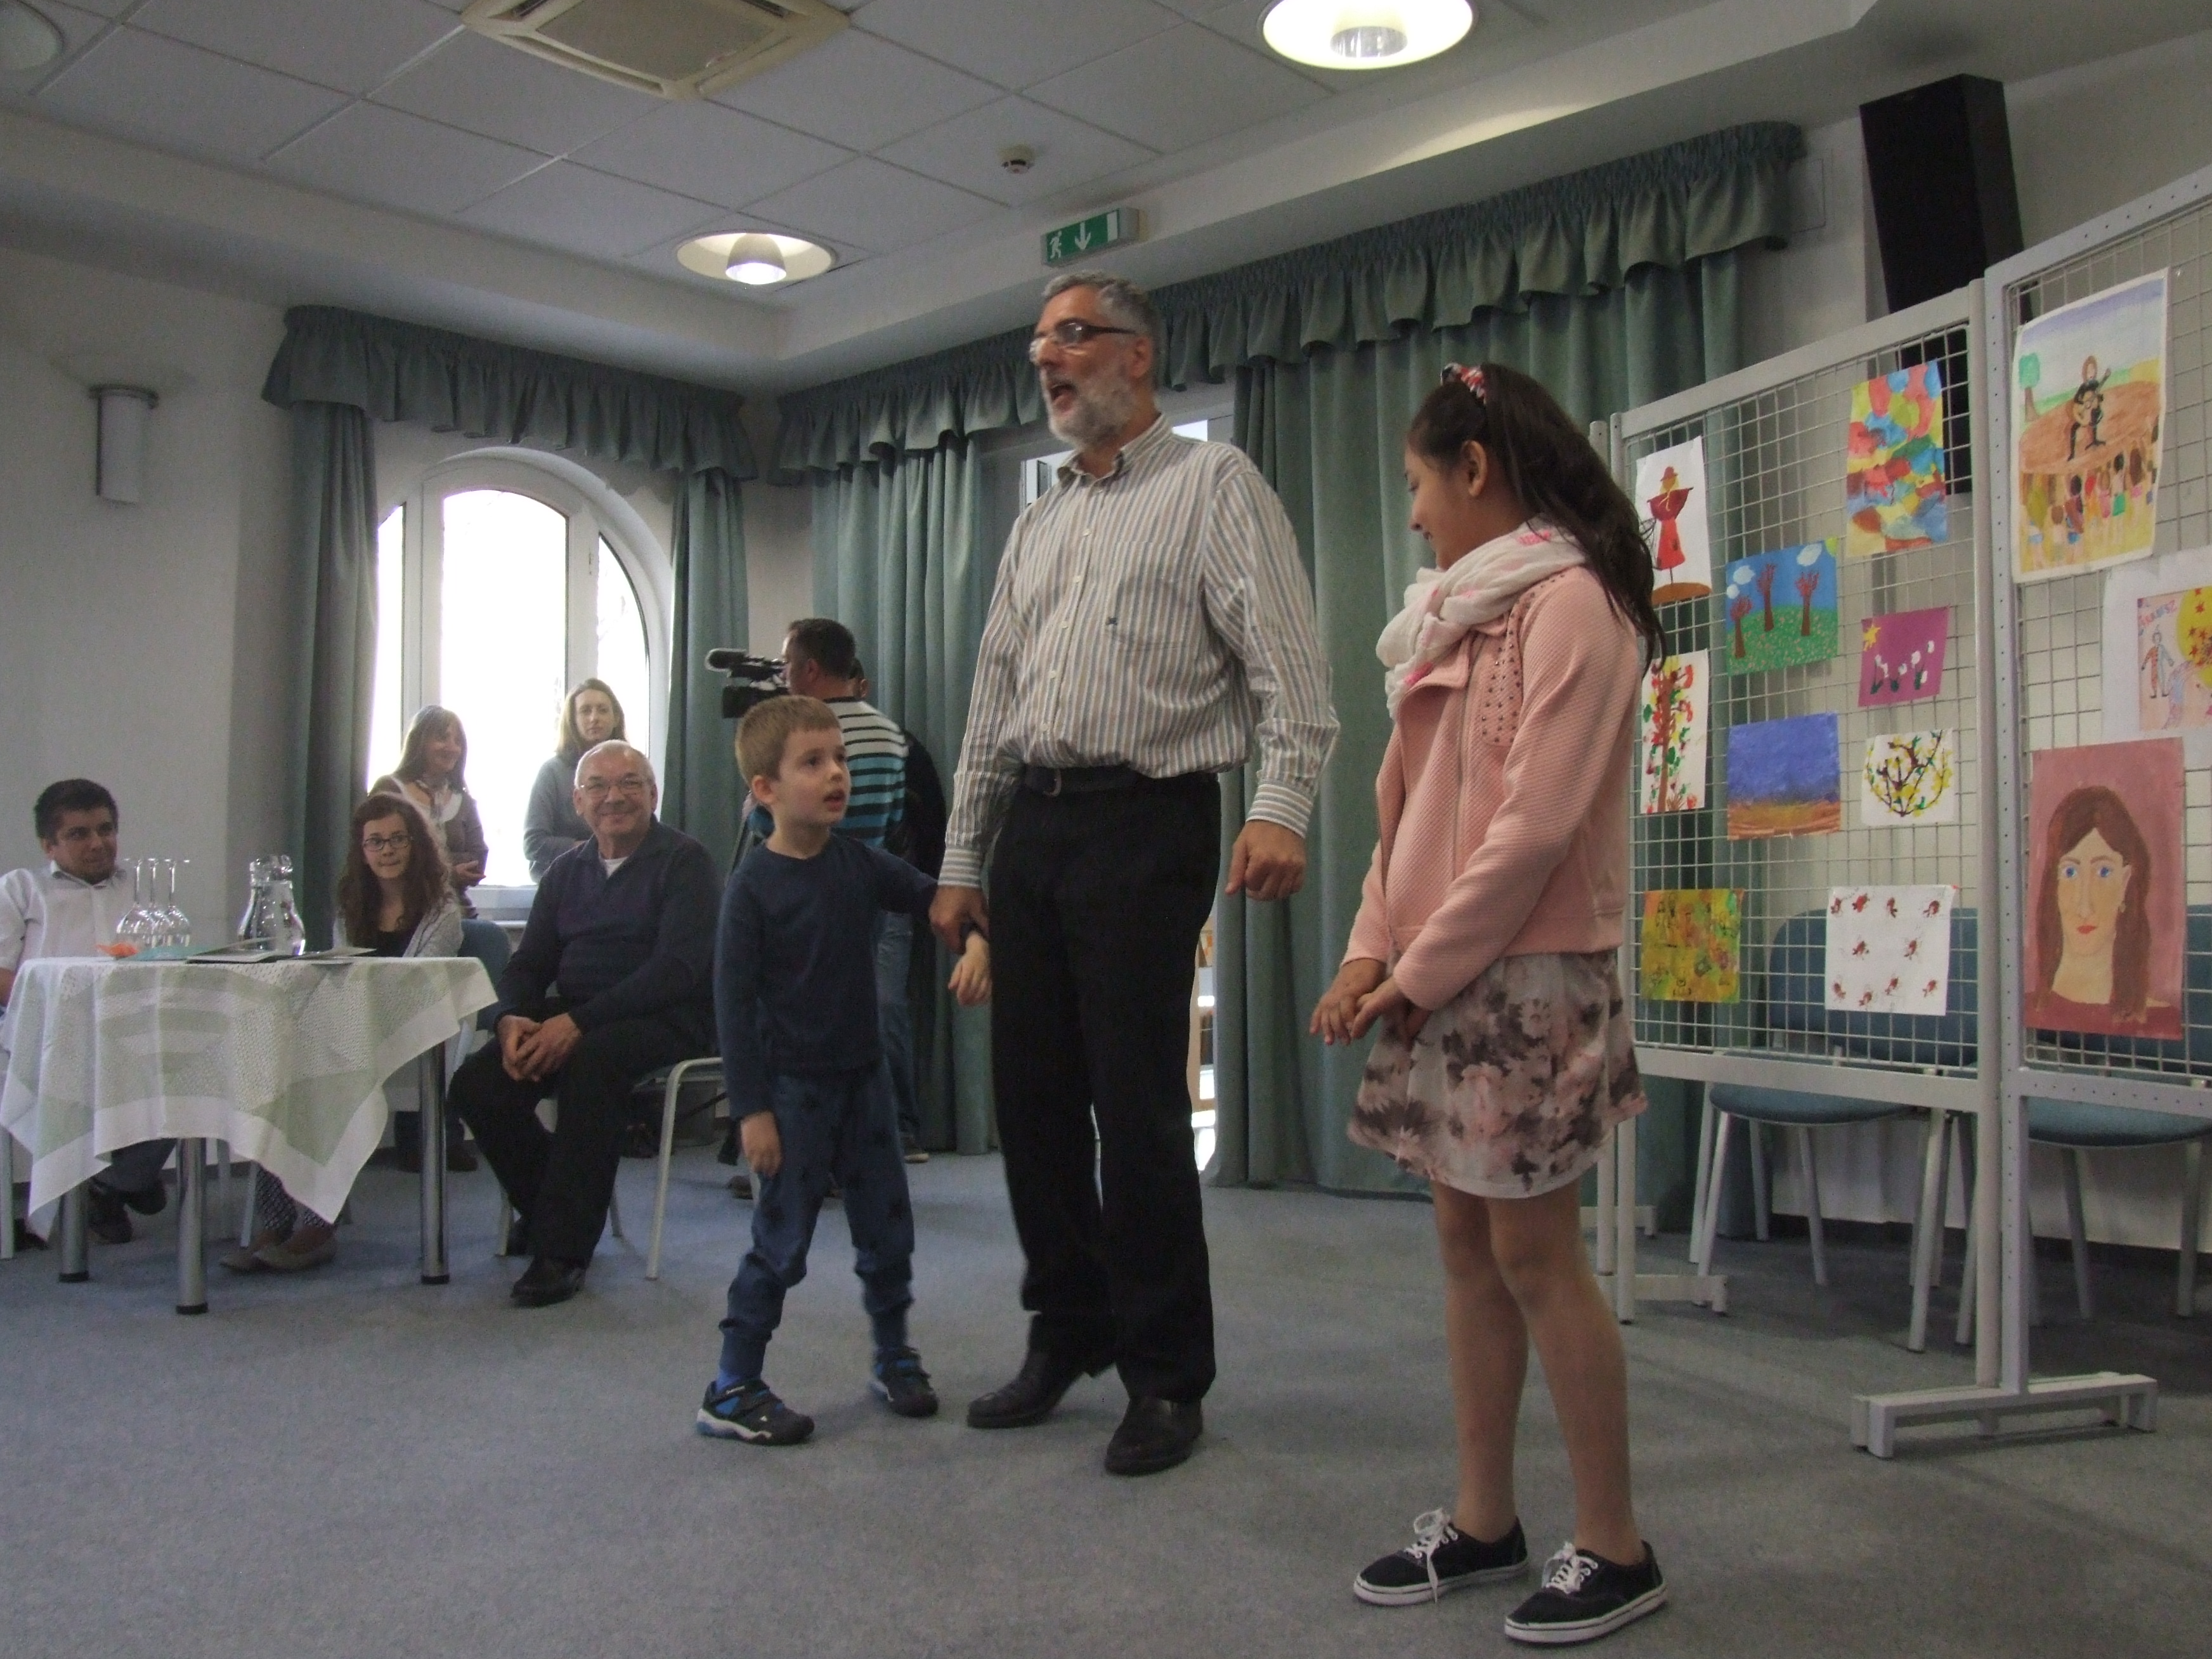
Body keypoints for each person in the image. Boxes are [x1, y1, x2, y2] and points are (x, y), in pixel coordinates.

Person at [930, 270, 1337, 1478]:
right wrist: (962, 856)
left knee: (1138, 1108)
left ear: (1136, 354)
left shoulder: (1214, 486)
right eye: (1037, 347)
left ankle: (1164, 1374)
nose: (1047, 362)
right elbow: (993, 699)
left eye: (1070, 337)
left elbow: (1289, 671)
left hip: (1147, 820)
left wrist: (1279, 807)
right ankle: (1068, 1329)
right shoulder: (1038, 521)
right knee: (1032, 1104)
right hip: (1036, 825)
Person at [1311, 362, 1665, 1646]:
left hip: (1525, 973)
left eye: (1418, 484)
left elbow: (1532, 831)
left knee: (1533, 1254)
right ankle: (1483, 1518)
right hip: (1440, 968)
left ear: (1473, 469)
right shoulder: (1454, 616)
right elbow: (1402, 816)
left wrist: (1412, 973)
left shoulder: (1575, 605)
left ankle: (1616, 1544)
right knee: (1464, 1245)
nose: (1411, 514)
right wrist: (1367, 952)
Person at [697, 697, 989, 1445]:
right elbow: (732, 1008)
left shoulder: (857, 863)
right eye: (812, 762)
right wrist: (752, 1110)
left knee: (887, 1231)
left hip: (865, 1087)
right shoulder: (750, 888)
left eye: (840, 760)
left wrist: (976, 943)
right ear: (765, 789)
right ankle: (731, 1385)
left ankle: (893, 1355)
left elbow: (936, 899)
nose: (835, 775)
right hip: (791, 1094)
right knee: (781, 1242)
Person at [449, 741, 717, 1308]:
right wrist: (509, 1020)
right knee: (478, 1084)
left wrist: (576, 1023)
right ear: (577, 802)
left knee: (591, 1062)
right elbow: (529, 965)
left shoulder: (685, 861)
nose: (613, 796)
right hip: (579, 1012)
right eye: (598, 785)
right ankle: (554, 1210)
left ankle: (562, 1252)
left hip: (668, 1017)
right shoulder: (565, 871)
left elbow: (676, 970)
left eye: (629, 783)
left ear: (653, 794)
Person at [222, 793, 462, 1274]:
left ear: (415, 844)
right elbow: (340, 977)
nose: (387, 850)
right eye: (376, 842)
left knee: (313, 1078)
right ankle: (276, 1222)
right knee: (277, 1075)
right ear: (362, 850)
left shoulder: (441, 910)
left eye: (398, 839)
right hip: (348, 1030)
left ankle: (317, 1226)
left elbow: (415, 987)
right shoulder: (351, 906)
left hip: (410, 1037)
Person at [0, 779, 172, 1246]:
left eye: (106, 829)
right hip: (48, 1032)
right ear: (49, 845)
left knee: (193, 1063)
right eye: (79, 834)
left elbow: (169, 960)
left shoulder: (143, 890)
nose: (98, 843)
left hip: (135, 1029)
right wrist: (59, 1010)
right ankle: (120, 1181)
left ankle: (115, 1181)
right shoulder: (22, 890)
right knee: (87, 1064)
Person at [2026, 784, 2178, 1038]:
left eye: (2103, 872)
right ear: (2054, 884)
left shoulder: (2160, 1021)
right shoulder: (2022, 1013)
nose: (2085, 907)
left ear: (2125, 881)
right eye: (2070, 872)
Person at [373, 705, 488, 913]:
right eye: (443, 738)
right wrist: (450, 872)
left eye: (458, 741)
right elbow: (385, 856)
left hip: (458, 912)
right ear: (420, 742)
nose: (452, 748)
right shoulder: (390, 791)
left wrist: (422, 862)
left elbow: (478, 860)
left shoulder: (463, 800)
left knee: (490, 932)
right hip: (403, 913)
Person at [526, 680, 626, 880]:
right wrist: (594, 849)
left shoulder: (631, 770)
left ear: (616, 718)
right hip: (564, 883)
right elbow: (534, 844)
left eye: (603, 710)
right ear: (572, 720)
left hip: (621, 880)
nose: (594, 718)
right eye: (586, 711)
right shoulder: (552, 773)